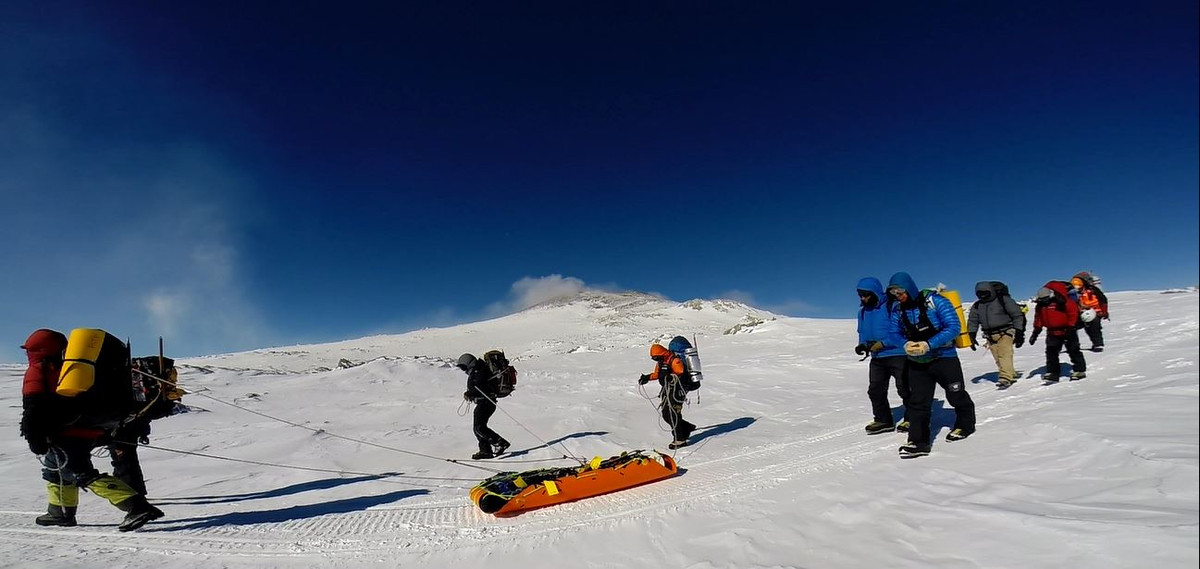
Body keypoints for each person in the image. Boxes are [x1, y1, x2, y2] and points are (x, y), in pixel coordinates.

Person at [19, 329, 163, 531]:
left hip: (65, 432)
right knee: (56, 471)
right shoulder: (77, 367)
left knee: (79, 473)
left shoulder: (39, 369)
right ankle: (59, 513)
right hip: (88, 428)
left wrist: (33, 435)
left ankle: (136, 507)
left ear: (37, 350)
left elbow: (33, 406)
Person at [886, 273, 977, 458]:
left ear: (909, 288)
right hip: (917, 362)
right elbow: (893, 333)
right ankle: (918, 442)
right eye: (893, 293)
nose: (898, 295)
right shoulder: (898, 310)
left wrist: (929, 344)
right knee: (918, 402)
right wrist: (905, 344)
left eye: (900, 291)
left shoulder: (935, 301)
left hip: (945, 358)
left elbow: (953, 326)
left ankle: (965, 425)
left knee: (956, 394)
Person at [854, 277, 909, 434]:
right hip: (877, 357)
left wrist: (883, 343)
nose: (863, 298)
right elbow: (862, 331)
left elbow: (899, 330)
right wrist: (862, 344)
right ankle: (883, 420)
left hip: (898, 354)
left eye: (866, 294)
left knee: (904, 388)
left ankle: (912, 417)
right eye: (860, 295)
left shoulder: (892, 306)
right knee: (875, 390)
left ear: (875, 292)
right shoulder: (863, 311)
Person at [966, 281, 1027, 389]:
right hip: (989, 335)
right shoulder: (977, 306)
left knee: (1004, 354)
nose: (982, 296)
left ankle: (1005, 378)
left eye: (985, 293)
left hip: (1006, 332)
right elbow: (973, 321)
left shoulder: (1003, 300)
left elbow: (1017, 315)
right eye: (980, 294)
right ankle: (1010, 373)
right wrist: (971, 335)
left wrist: (1019, 332)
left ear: (991, 291)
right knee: (998, 358)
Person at [639, 342, 698, 449]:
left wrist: (671, 377)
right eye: (654, 359)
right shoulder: (662, 362)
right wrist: (647, 378)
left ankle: (680, 439)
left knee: (673, 413)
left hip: (678, 390)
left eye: (657, 358)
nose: (656, 360)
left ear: (663, 353)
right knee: (666, 414)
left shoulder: (675, 361)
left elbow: (681, 373)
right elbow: (657, 374)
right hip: (668, 389)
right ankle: (687, 427)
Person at [1029, 282, 1087, 381]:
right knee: (1051, 353)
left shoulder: (1062, 301)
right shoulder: (1040, 305)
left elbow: (1072, 313)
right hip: (1052, 332)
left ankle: (1079, 370)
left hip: (1067, 329)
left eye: (1046, 299)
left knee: (1073, 350)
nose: (1044, 301)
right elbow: (1038, 319)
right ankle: (1053, 372)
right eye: (1042, 299)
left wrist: (1071, 327)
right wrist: (1035, 332)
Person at [457, 353, 510, 460]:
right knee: (478, 427)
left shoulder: (479, 370)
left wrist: (470, 394)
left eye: (464, 367)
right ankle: (486, 451)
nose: (463, 370)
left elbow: (479, 387)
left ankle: (500, 442)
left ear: (469, 363)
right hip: (485, 402)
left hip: (486, 402)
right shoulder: (479, 370)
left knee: (479, 427)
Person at [1071, 273, 1109, 352]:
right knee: (1071, 327)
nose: (1077, 287)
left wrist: (1104, 312)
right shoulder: (1073, 293)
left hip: (1095, 312)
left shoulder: (1093, 290)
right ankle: (1074, 345)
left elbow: (1103, 300)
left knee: (1093, 327)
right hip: (1080, 312)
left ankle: (1098, 344)